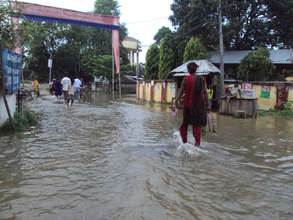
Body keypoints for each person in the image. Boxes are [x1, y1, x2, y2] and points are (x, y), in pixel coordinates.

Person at [172, 62, 208, 146]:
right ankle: (197, 144)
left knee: (185, 124)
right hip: (198, 106)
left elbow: (180, 92)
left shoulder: (186, 79)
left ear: (188, 70)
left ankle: (184, 143)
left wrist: (175, 102)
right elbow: (205, 93)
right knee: (197, 125)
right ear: (196, 69)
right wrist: (208, 105)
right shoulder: (201, 79)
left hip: (187, 106)